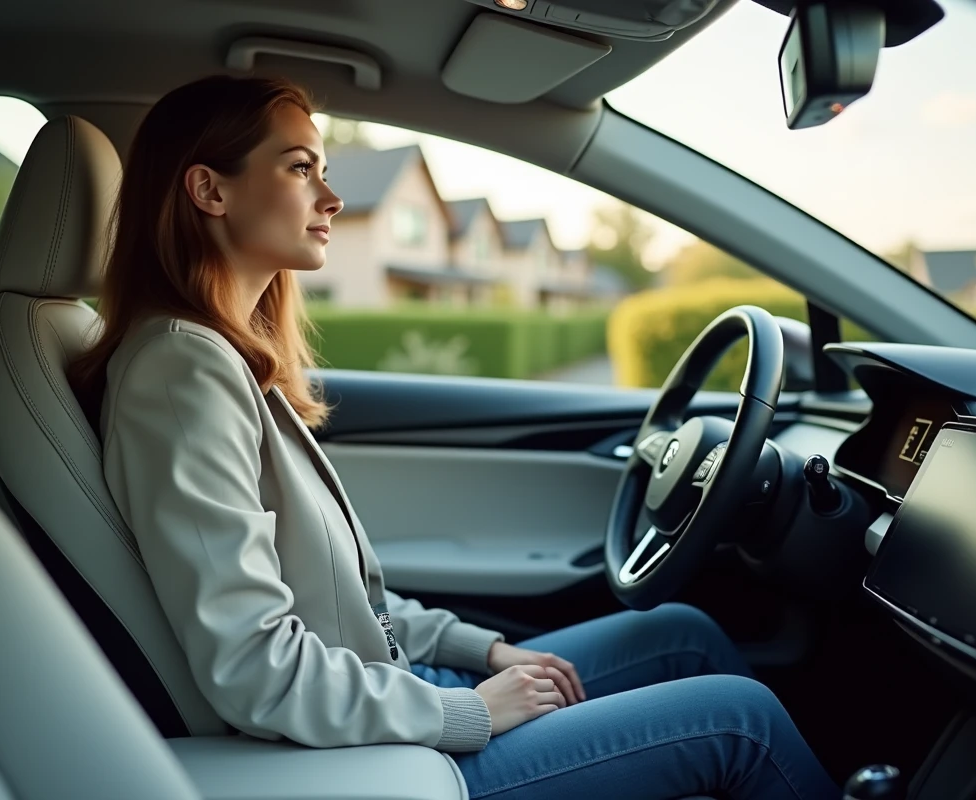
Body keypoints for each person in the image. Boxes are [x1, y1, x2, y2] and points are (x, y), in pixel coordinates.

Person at [69, 75, 840, 800]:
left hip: (384, 696)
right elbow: (253, 668)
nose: (332, 198)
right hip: (367, 748)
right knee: (740, 720)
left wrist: (486, 653)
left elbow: (344, 604)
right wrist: (473, 710)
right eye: (301, 168)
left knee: (682, 632)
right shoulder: (180, 372)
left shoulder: (217, 360)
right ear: (209, 189)